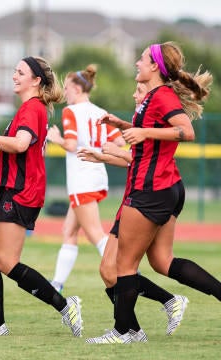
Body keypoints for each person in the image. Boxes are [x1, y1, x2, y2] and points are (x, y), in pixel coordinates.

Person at [86, 42, 221, 344]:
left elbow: (186, 131)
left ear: (155, 68)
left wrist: (144, 132)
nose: (137, 63)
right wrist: (124, 125)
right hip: (163, 187)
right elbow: (151, 138)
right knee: (161, 261)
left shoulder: (161, 96)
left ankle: (123, 332)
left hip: (151, 189)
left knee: (123, 265)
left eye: (142, 59)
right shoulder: (152, 99)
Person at [0, 56, 83, 337]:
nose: (14, 75)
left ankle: (66, 306)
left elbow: (19, 144)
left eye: (20, 72)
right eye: (14, 70)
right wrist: (2, 163)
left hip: (22, 191)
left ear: (36, 80)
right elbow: (21, 149)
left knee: (6, 261)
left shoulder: (32, 108)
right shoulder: (28, 109)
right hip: (6, 186)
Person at [76, 82, 189, 342]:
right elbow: (134, 160)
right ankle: (135, 328)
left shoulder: (153, 118)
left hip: (142, 197)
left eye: (138, 90)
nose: (134, 94)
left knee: (123, 267)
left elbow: (137, 160)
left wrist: (114, 150)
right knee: (108, 270)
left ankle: (132, 325)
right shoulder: (140, 123)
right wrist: (103, 156)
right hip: (132, 197)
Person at [45, 64, 125, 292]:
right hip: (97, 176)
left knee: (94, 233)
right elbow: (119, 143)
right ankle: (57, 283)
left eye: (68, 88)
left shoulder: (71, 111)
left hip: (82, 180)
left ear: (78, 89)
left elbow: (70, 145)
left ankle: (128, 275)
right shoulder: (100, 112)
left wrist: (56, 138)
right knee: (69, 231)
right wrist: (99, 147)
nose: (65, 92)